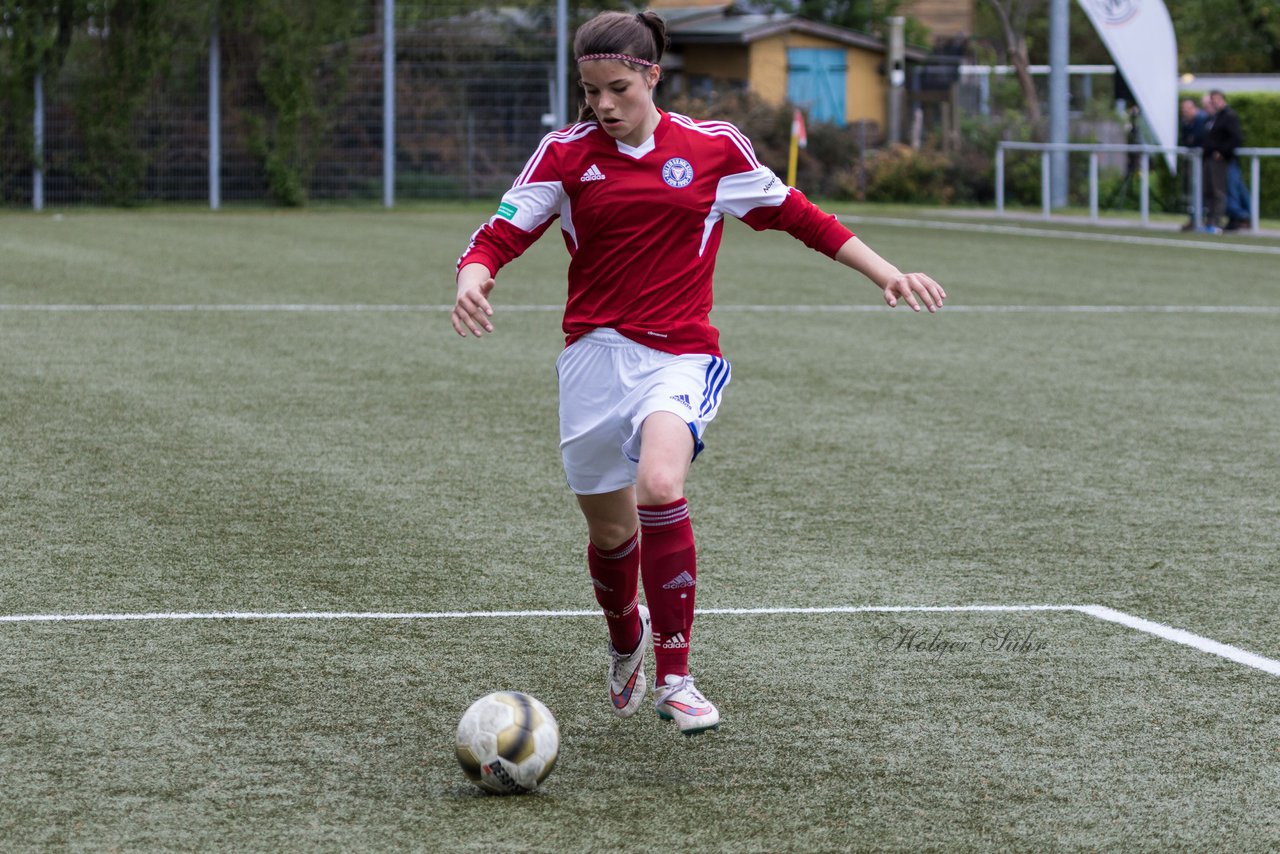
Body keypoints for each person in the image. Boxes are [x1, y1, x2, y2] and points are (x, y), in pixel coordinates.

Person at [451, 10, 945, 735]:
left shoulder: (712, 148)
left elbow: (797, 214)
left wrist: (885, 272)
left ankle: (678, 678)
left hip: (680, 354)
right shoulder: (564, 153)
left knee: (660, 483)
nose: (604, 106)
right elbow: (498, 234)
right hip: (591, 359)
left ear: (653, 75)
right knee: (612, 536)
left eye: (618, 87)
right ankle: (627, 638)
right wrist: (472, 276)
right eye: (591, 92)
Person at [1202, 89, 1243, 233]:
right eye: (1212, 100)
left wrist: (1222, 152)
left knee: (1220, 192)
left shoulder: (1229, 116)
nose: (1214, 103)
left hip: (1221, 160)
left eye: (1216, 99)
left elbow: (1236, 138)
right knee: (1209, 190)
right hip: (1209, 158)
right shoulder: (1213, 117)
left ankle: (1219, 222)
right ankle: (1210, 222)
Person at [1177, 97, 1207, 232]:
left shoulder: (1201, 120)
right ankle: (1194, 219)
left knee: (1204, 191)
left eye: (1188, 109)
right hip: (1192, 161)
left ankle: (1201, 219)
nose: (1185, 111)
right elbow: (1186, 141)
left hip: (1203, 162)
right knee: (1193, 191)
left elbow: (1199, 140)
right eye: (1183, 109)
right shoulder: (1185, 122)